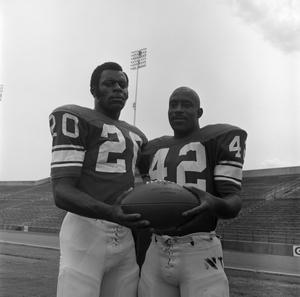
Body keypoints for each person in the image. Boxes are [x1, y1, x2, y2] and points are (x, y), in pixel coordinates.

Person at [49, 62, 149, 297]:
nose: (118, 89)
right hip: (85, 231)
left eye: (122, 85)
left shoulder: (138, 136)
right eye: (109, 84)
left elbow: (146, 187)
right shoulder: (75, 117)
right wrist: (110, 212)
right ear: (94, 90)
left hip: (124, 236)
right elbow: (61, 192)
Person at [137, 86, 247, 297]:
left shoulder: (219, 138)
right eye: (173, 104)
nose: (178, 110)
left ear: (199, 112)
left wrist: (214, 203)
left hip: (200, 249)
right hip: (155, 248)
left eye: (186, 105)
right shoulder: (150, 149)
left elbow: (234, 202)